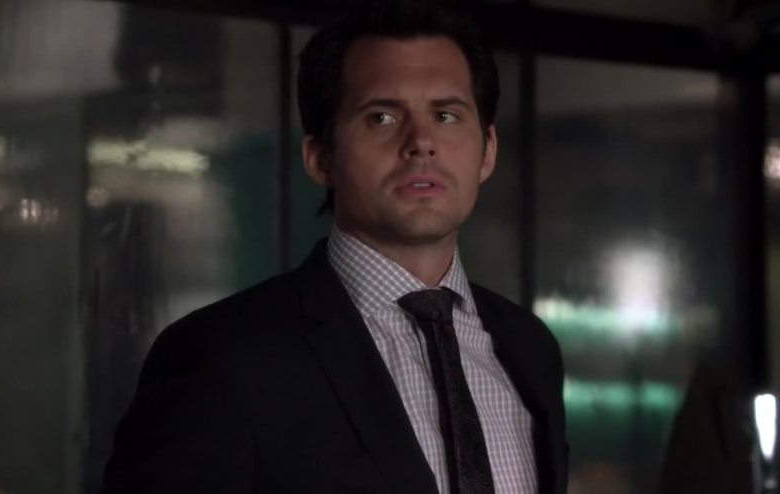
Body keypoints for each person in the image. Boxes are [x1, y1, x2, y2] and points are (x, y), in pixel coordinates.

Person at [103, 1, 568, 493]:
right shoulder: (224, 358)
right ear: (320, 157)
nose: (421, 142)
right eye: (382, 117)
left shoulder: (530, 350)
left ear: (487, 151)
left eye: (446, 115)